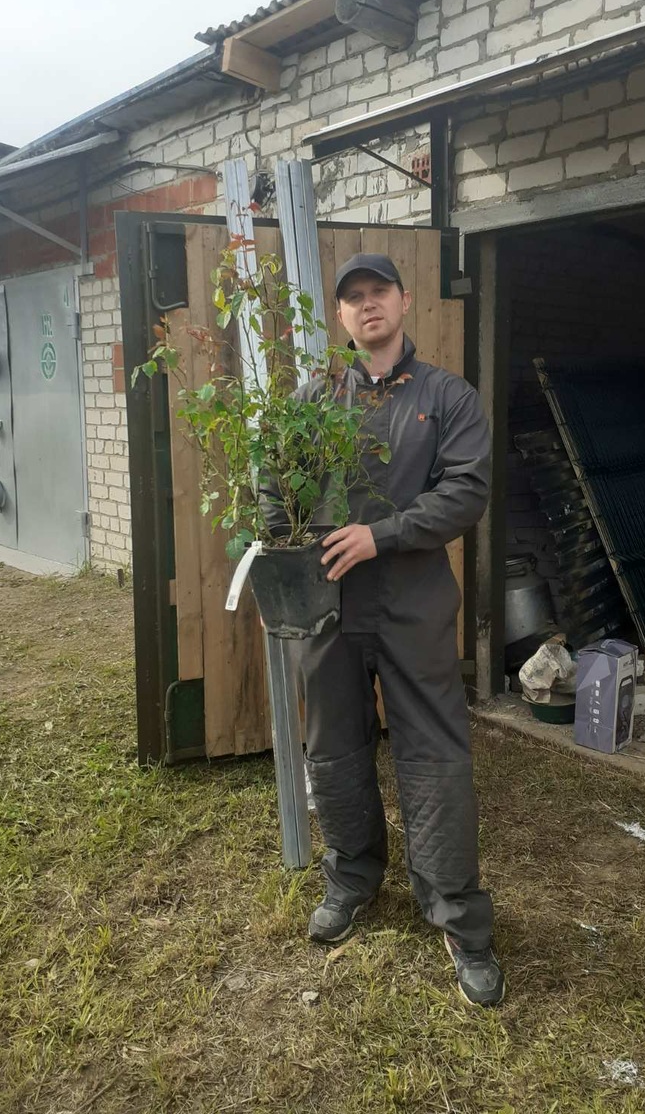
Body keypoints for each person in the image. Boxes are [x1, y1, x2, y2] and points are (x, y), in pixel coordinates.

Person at [271, 252, 504, 1008]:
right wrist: (278, 548)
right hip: (329, 609)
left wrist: (383, 534)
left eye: (380, 292)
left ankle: (458, 915)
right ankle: (351, 879)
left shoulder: (447, 397)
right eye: (354, 297)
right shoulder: (314, 400)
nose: (368, 305)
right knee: (333, 747)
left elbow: (466, 491)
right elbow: (276, 486)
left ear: (404, 302)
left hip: (413, 605)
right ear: (340, 315)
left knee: (434, 754)